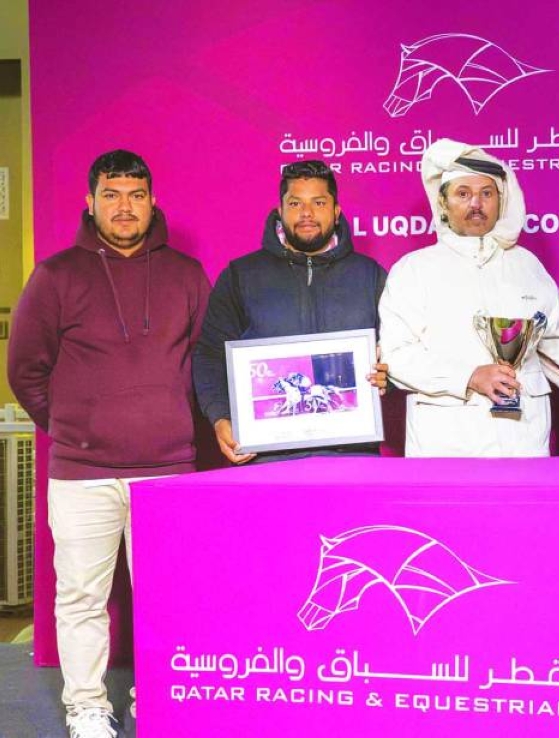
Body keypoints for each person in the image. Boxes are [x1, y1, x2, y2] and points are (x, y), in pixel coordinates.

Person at [7, 150, 210, 738]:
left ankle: (158, 697)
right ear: (90, 202)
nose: (125, 207)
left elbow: (205, 365)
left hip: (169, 471)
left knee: (166, 596)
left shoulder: (186, 275)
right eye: (112, 195)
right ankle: (88, 708)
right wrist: (75, 426)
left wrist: (170, 421)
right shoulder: (56, 276)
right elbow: (25, 370)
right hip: (82, 474)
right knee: (80, 597)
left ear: (152, 202)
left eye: (136, 195)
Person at [378, 139, 559, 457]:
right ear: (443, 203)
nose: (476, 203)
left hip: (523, 442)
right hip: (446, 445)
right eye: (463, 194)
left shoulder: (526, 265)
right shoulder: (413, 270)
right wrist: (470, 377)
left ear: (501, 201)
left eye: (487, 194)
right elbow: (397, 355)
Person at [192, 160, 388, 464]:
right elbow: (209, 354)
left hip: (351, 456)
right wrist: (220, 417)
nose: (306, 213)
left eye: (318, 203)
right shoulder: (241, 275)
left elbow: (398, 351)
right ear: (280, 211)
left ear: (336, 212)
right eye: (295, 203)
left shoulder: (370, 275)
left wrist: (390, 374)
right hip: (266, 459)